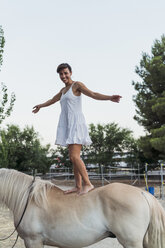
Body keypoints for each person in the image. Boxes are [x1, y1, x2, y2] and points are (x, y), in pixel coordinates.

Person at [32, 63, 122, 194]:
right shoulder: (63, 91)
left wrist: (109, 98)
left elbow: (93, 94)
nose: (63, 76)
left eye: (65, 73)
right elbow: (52, 100)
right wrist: (40, 106)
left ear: (71, 73)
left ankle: (88, 184)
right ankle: (78, 186)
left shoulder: (77, 85)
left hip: (76, 123)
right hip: (68, 125)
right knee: (72, 157)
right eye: (61, 74)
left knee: (74, 157)